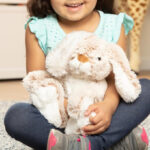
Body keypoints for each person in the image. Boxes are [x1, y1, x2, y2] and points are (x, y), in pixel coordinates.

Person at [4, 0, 150, 150]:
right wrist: (79, 109)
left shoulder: (114, 24)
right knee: (16, 116)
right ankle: (110, 141)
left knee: (146, 89)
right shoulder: (37, 28)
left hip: (105, 114)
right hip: (62, 119)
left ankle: (84, 145)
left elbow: (117, 79)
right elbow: (37, 84)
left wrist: (108, 106)